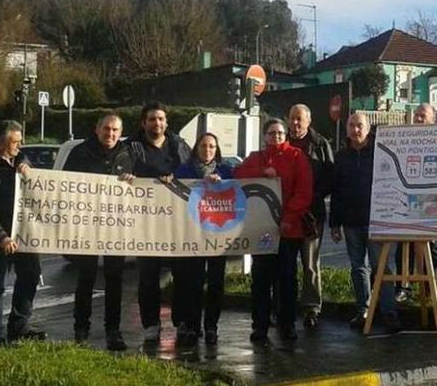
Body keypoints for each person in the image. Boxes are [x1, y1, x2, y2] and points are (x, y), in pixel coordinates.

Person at [235, 118, 313, 343]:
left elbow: (303, 192)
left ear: (285, 135)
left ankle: (287, 324)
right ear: (264, 136)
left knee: (287, 279)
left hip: (289, 230)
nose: (276, 137)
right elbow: (239, 175)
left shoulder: (297, 156)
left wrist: (288, 218)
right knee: (260, 279)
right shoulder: (255, 157)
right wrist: (263, 170)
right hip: (262, 231)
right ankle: (259, 325)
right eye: (271, 133)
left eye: (279, 133)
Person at [0, 120, 46, 344]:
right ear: (1, 143)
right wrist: (1, 236)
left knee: (30, 276)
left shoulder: (18, 162)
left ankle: (20, 326)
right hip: (0, 238)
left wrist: (24, 163)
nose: (19, 147)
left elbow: (28, 172)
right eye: (16, 142)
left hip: (24, 234)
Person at [62, 114, 133, 351]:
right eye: (106, 129)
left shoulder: (127, 154)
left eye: (115, 130)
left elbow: (141, 186)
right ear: (97, 129)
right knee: (86, 278)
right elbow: (63, 184)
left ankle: (113, 331)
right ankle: (81, 329)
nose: (110, 134)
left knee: (115, 280)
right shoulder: (80, 153)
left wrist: (133, 180)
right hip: (87, 227)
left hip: (116, 227)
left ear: (120, 132)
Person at [127, 101, 192, 344]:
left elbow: (192, 171)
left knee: (182, 275)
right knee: (148, 276)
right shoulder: (132, 147)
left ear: (166, 122)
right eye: (152, 119)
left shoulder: (179, 145)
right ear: (143, 123)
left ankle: (182, 321)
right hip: (147, 224)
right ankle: (151, 325)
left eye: (161, 119)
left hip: (178, 222)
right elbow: (120, 171)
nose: (157, 123)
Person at [330, 112, 401, 333]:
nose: (355, 130)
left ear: (368, 128)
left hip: (378, 220)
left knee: (382, 267)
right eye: (351, 125)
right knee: (358, 267)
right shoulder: (341, 156)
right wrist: (334, 223)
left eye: (359, 125)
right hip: (351, 222)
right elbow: (337, 191)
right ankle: (363, 310)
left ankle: (389, 311)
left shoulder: (381, 153)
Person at [173, 133, 234, 346]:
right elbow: (173, 195)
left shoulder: (226, 171)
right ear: (196, 148)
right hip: (192, 235)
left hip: (218, 235)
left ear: (216, 150)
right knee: (193, 282)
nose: (207, 150)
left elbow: (238, 196)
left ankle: (211, 327)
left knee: (216, 283)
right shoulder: (184, 171)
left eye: (211, 146)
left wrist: (223, 184)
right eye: (203, 146)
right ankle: (192, 325)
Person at [287, 104, 334, 329]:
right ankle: (283, 306)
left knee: (310, 264)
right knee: (285, 264)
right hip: (286, 214)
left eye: (299, 119)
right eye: (292, 119)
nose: (295, 124)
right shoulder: (280, 140)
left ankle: (311, 308)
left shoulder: (320, 144)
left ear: (308, 121)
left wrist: (310, 197)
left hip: (312, 215)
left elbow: (330, 177)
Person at [394, 103, 437, 303]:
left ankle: (428, 288)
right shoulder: (405, 139)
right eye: (416, 115)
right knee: (404, 247)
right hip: (405, 199)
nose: (418, 119)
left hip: (431, 200)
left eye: (423, 115)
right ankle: (403, 287)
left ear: (433, 119)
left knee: (431, 250)